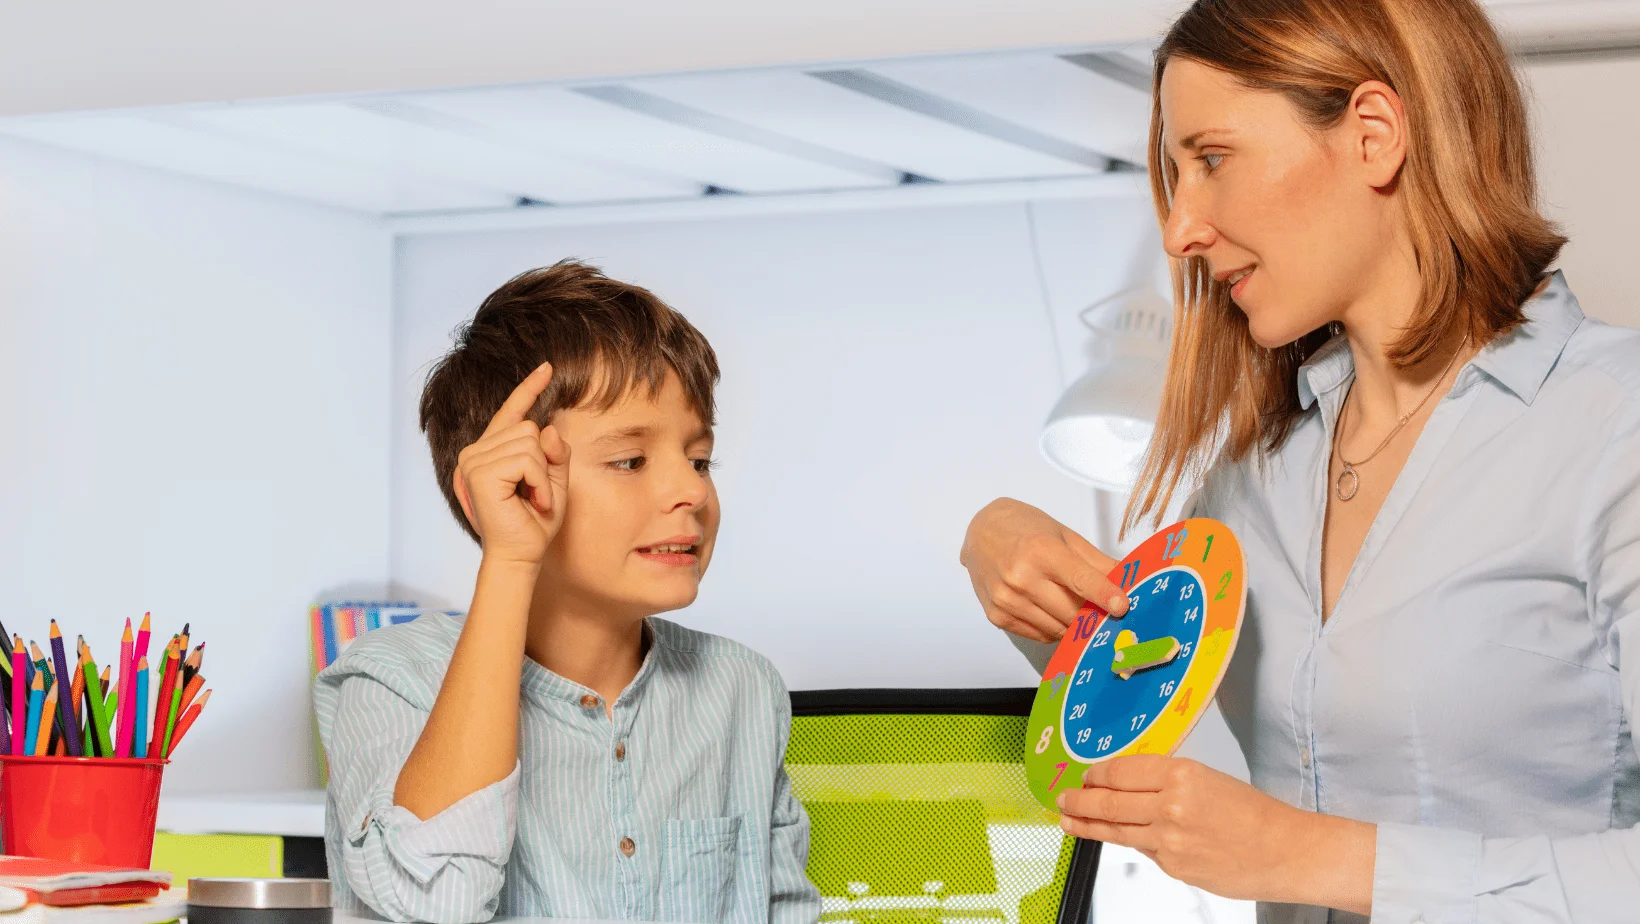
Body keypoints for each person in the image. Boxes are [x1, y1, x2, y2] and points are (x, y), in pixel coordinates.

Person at [960, 1, 1639, 922]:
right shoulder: (1254, 478)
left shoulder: (1613, 428)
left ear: (1373, 135)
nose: (1179, 231)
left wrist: (1306, 857)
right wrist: (1020, 574)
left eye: (1211, 159)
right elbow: (1151, 738)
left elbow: (1270, 845)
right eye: (1174, 177)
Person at [314, 261, 821, 924]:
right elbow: (436, 899)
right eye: (630, 460)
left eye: (700, 459)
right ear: (506, 486)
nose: (692, 490)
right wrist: (509, 559)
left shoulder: (741, 690)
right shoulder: (389, 679)